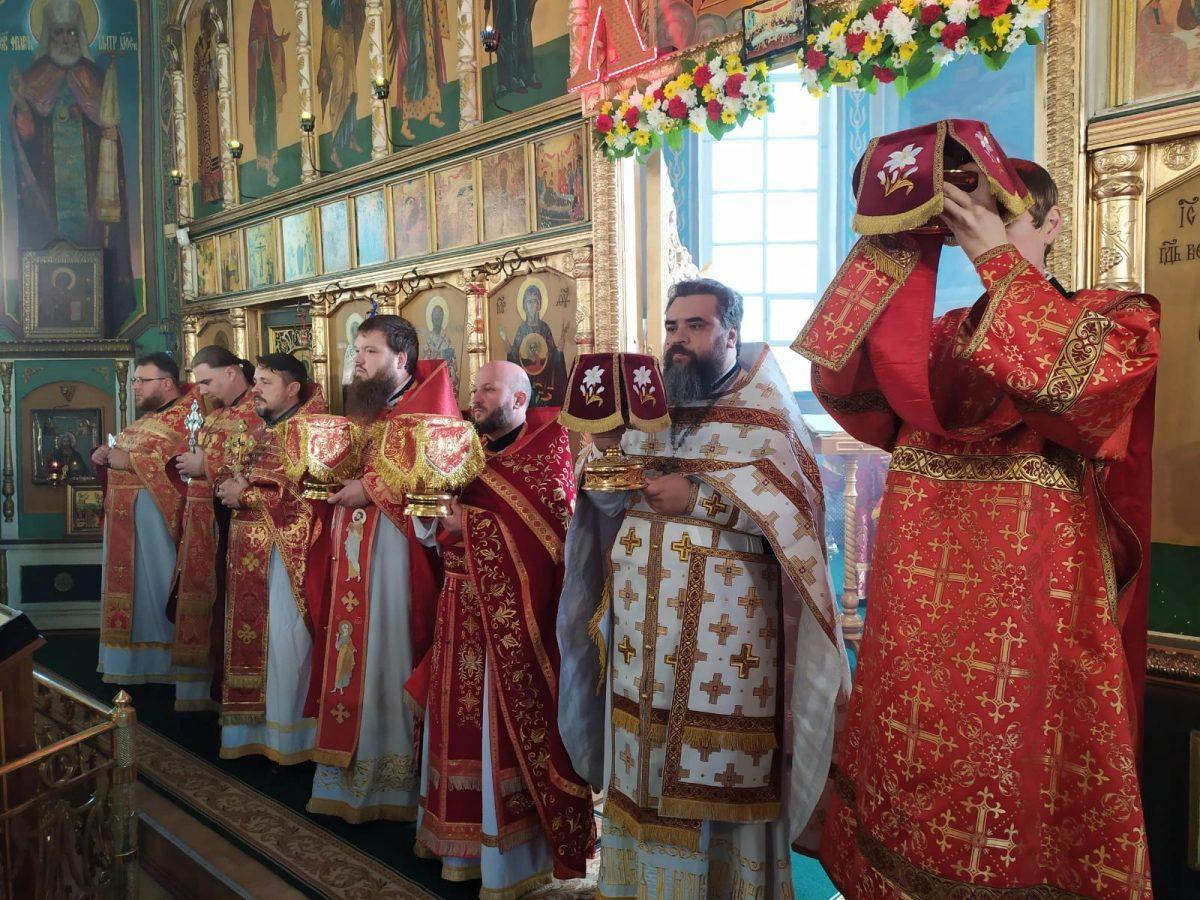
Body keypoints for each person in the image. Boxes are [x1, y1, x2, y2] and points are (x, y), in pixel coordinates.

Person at [794, 125, 1159, 896]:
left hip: (1036, 641)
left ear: (1051, 223)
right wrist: (888, 246)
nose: (974, 224)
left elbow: (1083, 397)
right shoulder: (936, 344)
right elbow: (844, 386)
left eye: (1000, 211)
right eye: (963, 212)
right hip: (917, 637)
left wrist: (1000, 260)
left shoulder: (1116, 317)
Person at [557, 279, 848, 897]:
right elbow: (606, 512)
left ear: (730, 335)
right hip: (641, 643)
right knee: (644, 770)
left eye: (694, 326)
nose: (678, 340)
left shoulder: (767, 415)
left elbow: (797, 515)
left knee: (715, 777)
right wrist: (604, 465)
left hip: (726, 648)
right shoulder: (650, 412)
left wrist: (702, 498)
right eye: (671, 327)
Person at [411, 360, 594, 894]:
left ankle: (510, 856)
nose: (477, 399)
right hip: (459, 609)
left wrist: (470, 524)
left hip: (512, 624)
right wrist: (428, 513)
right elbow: (429, 529)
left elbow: (557, 539)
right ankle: (455, 840)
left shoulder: (548, 452)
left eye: (489, 390)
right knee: (457, 720)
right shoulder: (460, 449)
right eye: (475, 390)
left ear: (519, 399)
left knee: (500, 726)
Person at [306, 315, 459, 822]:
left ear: (401, 358)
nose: (358, 360)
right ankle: (350, 771)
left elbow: (439, 478)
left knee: (387, 649)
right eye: (357, 351)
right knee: (352, 650)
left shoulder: (429, 405)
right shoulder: (372, 407)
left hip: (398, 557)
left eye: (369, 352)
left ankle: (391, 782)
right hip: (354, 549)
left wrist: (369, 491)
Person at [215, 353, 327, 764]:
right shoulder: (262, 428)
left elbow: (307, 498)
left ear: (293, 388)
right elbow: (234, 469)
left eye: (265, 382)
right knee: (250, 638)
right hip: (246, 549)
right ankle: (250, 732)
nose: (255, 389)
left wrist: (245, 493)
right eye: (256, 381)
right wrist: (231, 485)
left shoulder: (314, 431)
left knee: (285, 639)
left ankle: (289, 738)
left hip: (284, 558)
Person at [10, 0, 134, 328]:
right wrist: (23, 109)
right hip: (49, 185)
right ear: (48, 35)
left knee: (92, 237)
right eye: (59, 32)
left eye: (71, 32)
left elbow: (110, 127)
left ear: (80, 34)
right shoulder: (33, 77)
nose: (66, 39)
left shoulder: (93, 74)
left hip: (90, 184)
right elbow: (25, 138)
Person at [96, 354, 196, 688]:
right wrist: (105, 457)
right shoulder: (146, 420)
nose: (135, 387)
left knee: (158, 588)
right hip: (127, 526)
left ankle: (165, 662)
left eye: (142, 380)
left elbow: (182, 473)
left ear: (167, 383)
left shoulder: (188, 418)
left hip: (158, 531)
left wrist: (133, 461)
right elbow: (125, 456)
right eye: (135, 380)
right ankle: (129, 663)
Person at [169, 346, 258, 712]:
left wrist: (204, 462)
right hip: (202, 523)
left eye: (206, 380)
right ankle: (204, 689)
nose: (201, 390)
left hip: (233, 526)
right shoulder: (220, 413)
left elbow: (255, 460)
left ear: (232, 372)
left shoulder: (255, 412)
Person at [503, 281, 569, 407]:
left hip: (543, 379)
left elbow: (553, 356)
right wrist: (505, 341)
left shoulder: (544, 328)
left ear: (539, 305)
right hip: (525, 378)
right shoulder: (522, 329)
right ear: (524, 306)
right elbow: (514, 357)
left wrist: (560, 347)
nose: (532, 305)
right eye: (529, 302)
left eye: (535, 301)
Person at [317, 0, 365, 167]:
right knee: (339, 87)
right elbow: (331, 9)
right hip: (335, 32)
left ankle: (351, 136)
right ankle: (334, 149)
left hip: (347, 30)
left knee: (352, 84)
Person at [248, 0, 290, 187]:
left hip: (267, 66)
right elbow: (253, 38)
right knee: (262, 110)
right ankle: (264, 158)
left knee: (271, 108)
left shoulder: (267, 5)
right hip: (259, 69)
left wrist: (278, 40)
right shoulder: (257, 6)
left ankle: (272, 157)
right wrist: (262, 41)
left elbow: (269, 32)